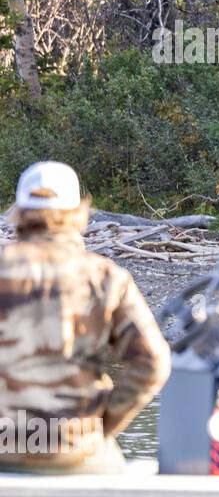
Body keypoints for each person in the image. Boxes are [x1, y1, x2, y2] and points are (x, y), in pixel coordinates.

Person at [0, 161, 171, 473]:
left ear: (20, 212)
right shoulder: (105, 277)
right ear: (77, 213)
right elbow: (153, 364)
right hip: (75, 451)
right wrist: (100, 429)